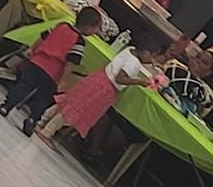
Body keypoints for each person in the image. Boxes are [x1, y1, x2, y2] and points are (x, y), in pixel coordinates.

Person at [39, 31, 168, 147]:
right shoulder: (134, 64)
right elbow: (120, 79)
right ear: (145, 52)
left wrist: (151, 64)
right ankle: (47, 132)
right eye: (151, 56)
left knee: (70, 101)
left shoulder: (130, 50)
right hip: (105, 88)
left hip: (99, 78)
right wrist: (139, 82)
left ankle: (42, 121)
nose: (151, 59)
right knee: (75, 110)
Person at [0, 6, 104, 136]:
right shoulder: (80, 43)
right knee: (43, 98)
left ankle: (6, 106)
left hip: (37, 62)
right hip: (52, 74)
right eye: (97, 28)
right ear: (88, 27)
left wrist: (32, 48)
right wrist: (63, 81)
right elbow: (70, 63)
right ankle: (32, 119)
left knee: (24, 85)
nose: (96, 32)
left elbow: (43, 37)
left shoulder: (61, 26)